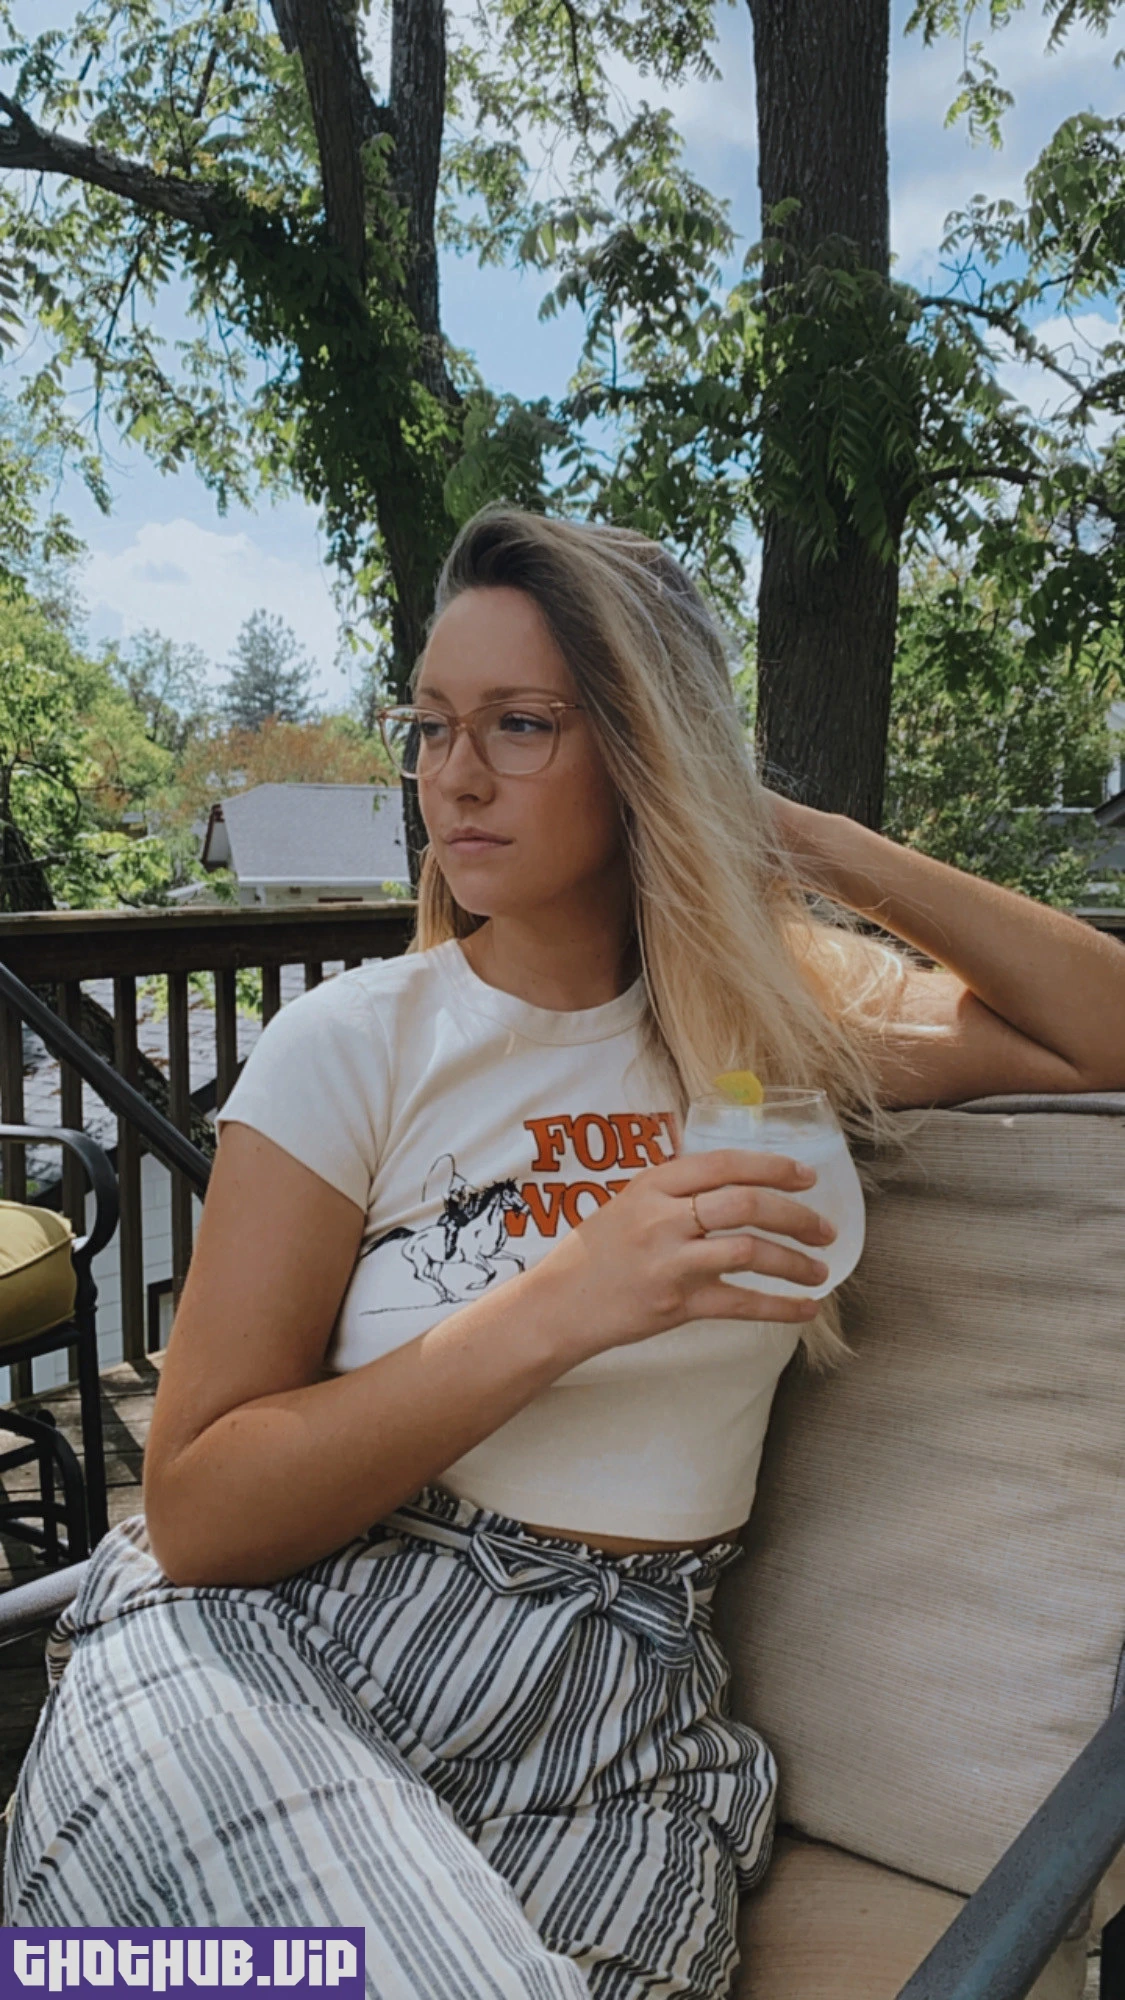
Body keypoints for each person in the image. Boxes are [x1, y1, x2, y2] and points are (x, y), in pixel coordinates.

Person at [7, 508, 1125, 1998]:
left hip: (618, 1723)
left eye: (519, 725)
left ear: (645, 749)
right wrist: (564, 1303)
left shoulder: (776, 1031)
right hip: (295, 1642)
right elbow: (198, 1509)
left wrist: (798, 837)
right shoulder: (354, 1045)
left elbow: (1106, 1026)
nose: (453, 777)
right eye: (431, 727)